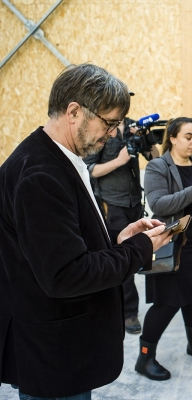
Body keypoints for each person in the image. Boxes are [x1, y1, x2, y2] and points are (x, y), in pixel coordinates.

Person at [0, 63, 170, 399]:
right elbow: (66, 274)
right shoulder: (40, 175)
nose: (111, 134)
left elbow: (63, 243)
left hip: (58, 346)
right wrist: (137, 251)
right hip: (54, 353)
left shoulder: (56, 158)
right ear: (74, 111)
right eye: (108, 123)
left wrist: (117, 240)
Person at [136, 117, 192, 381]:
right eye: (188, 136)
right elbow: (159, 205)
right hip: (173, 245)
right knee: (167, 303)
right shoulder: (157, 166)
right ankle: (145, 357)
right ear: (172, 138)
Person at [83, 116, 153, 334]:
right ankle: (129, 312)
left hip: (134, 201)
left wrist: (146, 140)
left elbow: (154, 158)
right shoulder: (103, 130)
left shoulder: (135, 126)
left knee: (138, 253)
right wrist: (120, 160)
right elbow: (90, 170)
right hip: (112, 204)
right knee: (123, 255)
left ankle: (127, 305)